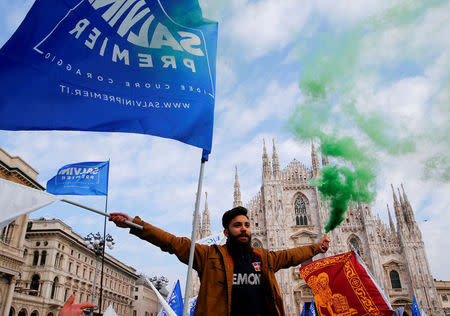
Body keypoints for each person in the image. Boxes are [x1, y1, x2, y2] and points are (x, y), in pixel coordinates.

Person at [109, 206, 329, 316]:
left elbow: (291, 256)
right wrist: (136, 225)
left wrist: (316, 248)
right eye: (237, 225)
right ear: (226, 231)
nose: (244, 229)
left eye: (246, 225)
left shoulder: (265, 258)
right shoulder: (208, 255)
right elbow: (172, 242)